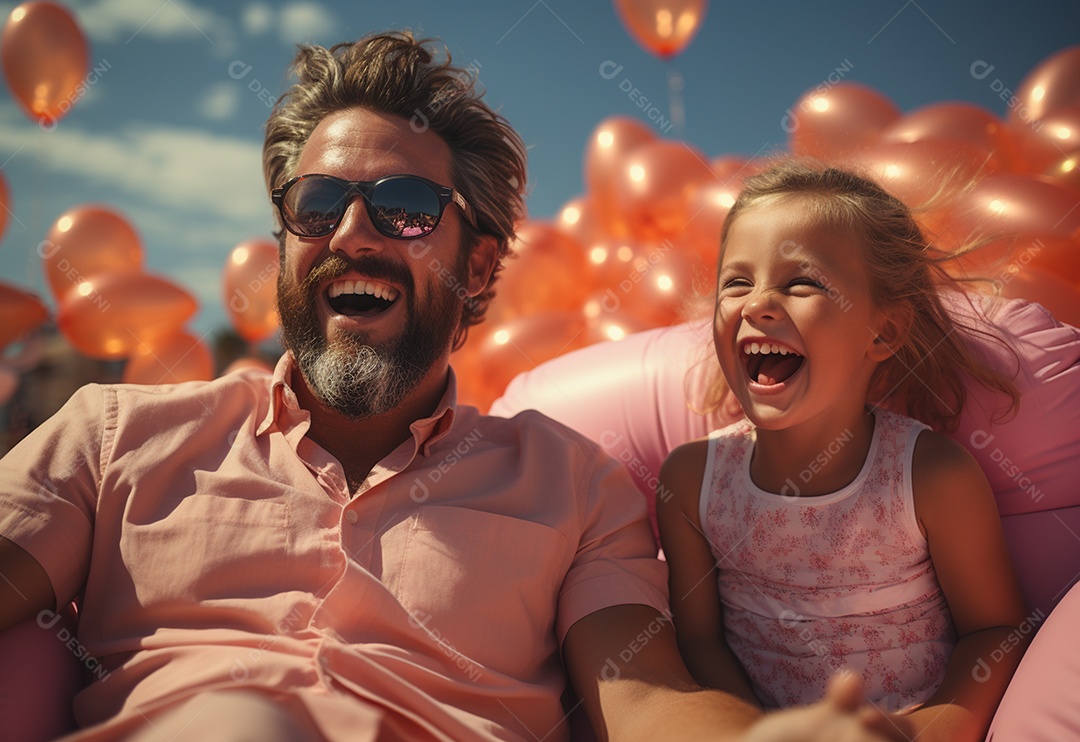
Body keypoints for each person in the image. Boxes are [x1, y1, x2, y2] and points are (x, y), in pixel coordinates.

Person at [0, 32, 907, 742]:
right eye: (316, 206)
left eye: (403, 207)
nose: (351, 233)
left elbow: (649, 706)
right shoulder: (113, 436)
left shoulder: (575, 487)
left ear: (477, 267)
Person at [656, 161, 1033, 742]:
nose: (757, 303)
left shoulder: (930, 475)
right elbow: (699, 639)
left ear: (882, 333)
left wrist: (919, 734)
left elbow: (994, 631)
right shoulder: (691, 481)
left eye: (799, 283)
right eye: (736, 282)